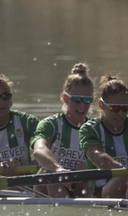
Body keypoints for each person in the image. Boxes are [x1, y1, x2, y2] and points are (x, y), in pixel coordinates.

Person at [32, 62, 95, 197]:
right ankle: (60, 210)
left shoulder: (94, 129)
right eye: (77, 100)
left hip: (79, 186)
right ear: (66, 98)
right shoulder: (50, 125)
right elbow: (38, 150)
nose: (82, 106)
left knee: (87, 170)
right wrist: (59, 169)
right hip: (48, 187)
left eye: (87, 100)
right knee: (49, 171)